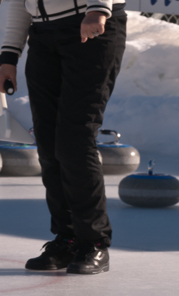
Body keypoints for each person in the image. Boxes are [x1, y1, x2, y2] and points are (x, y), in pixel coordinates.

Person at [0, 0, 127, 274]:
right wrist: (9, 56)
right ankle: (67, 238)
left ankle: (93, 242)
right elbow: (18, 3)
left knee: (75, 139)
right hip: (43, 34)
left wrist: (97, 9)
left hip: (89, 25)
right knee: (48, 143)